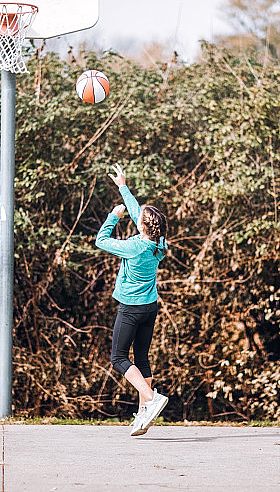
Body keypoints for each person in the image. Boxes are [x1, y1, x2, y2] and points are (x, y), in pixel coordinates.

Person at [95, 163, 170, 436]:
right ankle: (142, 417)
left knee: (117, 358)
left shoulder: (133, 247)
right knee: (141, 357)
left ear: (142, 227)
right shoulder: (158, 243)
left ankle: (150, 399)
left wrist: (113, 216)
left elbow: (101, 240)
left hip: (130, 309)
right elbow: (140, 214)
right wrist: (123, 187)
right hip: (150, 307)